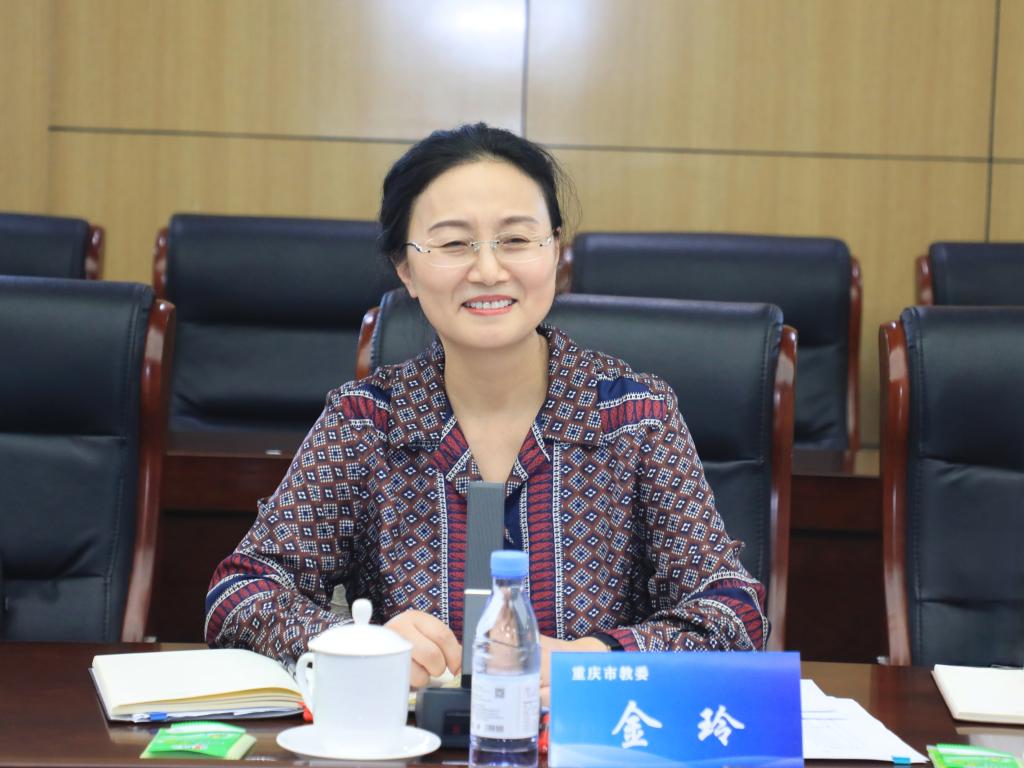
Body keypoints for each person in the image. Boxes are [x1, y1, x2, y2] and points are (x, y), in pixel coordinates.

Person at [206, 123, 768, 704]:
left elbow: (731, 611)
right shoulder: (366, 422)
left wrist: (596, 658)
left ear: (556, 251)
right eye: (454, 244)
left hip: (588, 738)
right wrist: (359, 642)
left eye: (516, 239)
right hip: (418, 741)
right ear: (405, 268)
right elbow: (239, 596)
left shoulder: (633, 417)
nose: (489, 271)